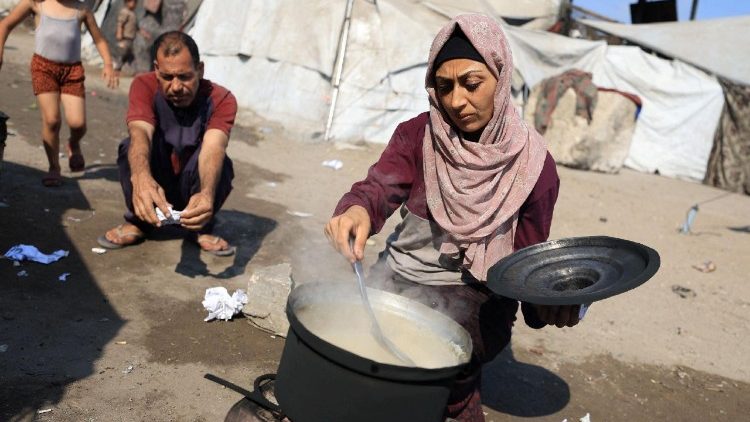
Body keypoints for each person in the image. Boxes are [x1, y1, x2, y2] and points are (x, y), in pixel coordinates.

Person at [324, 15, 580, 421]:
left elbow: (528, 264)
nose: (457, 101)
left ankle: (458, 399)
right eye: (445, 87)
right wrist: (355, 210)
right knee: (355, 351)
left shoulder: (535, 167)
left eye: (471, 84)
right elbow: (375, 190)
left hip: (477, 300)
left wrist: (553, 305)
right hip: (398, 278)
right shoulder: (417, 136)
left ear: (500, 75)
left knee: (438, 359)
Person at [97, 31, 237, 256]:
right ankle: (140, 222)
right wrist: (141, 178)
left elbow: (214, 147)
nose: (176, 87)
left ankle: (200, 225)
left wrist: (207, 194)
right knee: (131, 147)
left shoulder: (221, 99)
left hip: (193, 182)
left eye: (185, 77)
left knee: (221, 163)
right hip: (157, 180)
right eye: (167, 77)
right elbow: (140, 130)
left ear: (200, 70)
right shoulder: (143, 85)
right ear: (156, 70)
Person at [0, 0, 118, 187]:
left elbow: (99, 39)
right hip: (43, 68)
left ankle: (74, 143)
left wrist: (108, 64)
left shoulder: (81, 10)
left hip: (72, 71)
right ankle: (54, 167)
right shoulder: (37, 4)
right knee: (52, 120)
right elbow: (5, 25)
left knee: (78, 124)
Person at [115, 0, 137, 74]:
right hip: (125, 37)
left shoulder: (132, 13)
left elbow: (135, 26)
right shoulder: (125, 12)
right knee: (123, 53)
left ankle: (132, 70)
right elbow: (120, 23)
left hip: (131, 38)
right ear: (126, 2)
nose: (133, 4)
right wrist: (119, 34)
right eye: (131, 2)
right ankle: (117, 68)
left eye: (135, 2)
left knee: (131, 54)